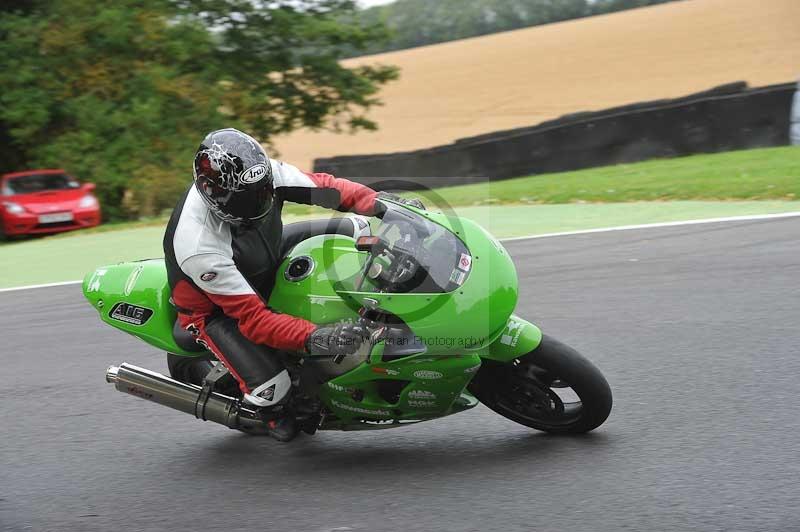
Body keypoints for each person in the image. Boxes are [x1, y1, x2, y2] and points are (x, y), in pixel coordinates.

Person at [163, 128, 421, 441]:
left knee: (356, 226)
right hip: (219, 308)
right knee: (274, 389)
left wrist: (380, 204)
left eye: (263, 192)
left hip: (265, 253)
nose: (260, 203)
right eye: (246, 201)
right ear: (214, 197)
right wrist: (319, 337)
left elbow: (326, 188)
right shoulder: (198, 244)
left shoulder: (261, 175)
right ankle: (270, 415)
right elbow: (255, 321)